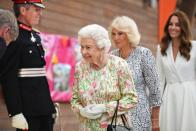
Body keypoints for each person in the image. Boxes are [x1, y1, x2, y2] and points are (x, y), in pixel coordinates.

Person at [0, 0, 57, 131]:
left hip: (44, 109)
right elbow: (9, 77)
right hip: (28, 112)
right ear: (23, 10)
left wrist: (49, 106)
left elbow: (40, 76)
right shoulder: (14, 36)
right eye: (36, 9)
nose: (40, 13)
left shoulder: (35, 36)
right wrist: (15, 113)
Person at [71, 24, 138, 131]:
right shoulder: (80, 68)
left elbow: (131, 99)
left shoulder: (119, 65)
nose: (83, 52)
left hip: (114, 127)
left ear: (101, 47)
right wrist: (81, 111)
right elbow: (75, 100)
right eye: (82, 47)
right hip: (87, 128)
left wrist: (104, 108)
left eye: (88, 47)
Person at [108, 16, 161, 131]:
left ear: (129, 34)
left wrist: (155, 120)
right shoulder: (111, 56)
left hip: (139, 114)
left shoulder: (144, 54)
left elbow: (155, 89)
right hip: (117, 115)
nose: (116, 38)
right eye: (113, 34)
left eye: (120, 33)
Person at [156, 10, 196, 131]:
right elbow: (159, 81)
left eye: (177, 25)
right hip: (169, 98)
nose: (173, 27)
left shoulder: (194, 47)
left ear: (183, 27)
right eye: (170, 24)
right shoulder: (161, 49)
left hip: (189, 97)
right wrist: (155, 111)